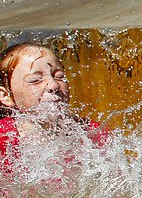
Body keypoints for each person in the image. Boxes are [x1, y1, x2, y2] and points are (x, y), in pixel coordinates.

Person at [0, 42, 106, 173]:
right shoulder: (4, 137)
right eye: (35, 80)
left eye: (59, 76)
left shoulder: (91, 132)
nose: (53, 85)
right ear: (6, 96)